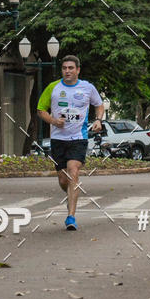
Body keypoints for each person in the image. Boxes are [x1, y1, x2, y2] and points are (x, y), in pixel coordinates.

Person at [37, 55, 104, 230]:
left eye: (71, 68)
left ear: (78, 70)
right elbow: (41, 110)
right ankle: (70, 195)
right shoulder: (53, 88)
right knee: (63, 179)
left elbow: (99, 105)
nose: (67, 71)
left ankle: (71, 217)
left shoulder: (88, 87)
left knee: (73, 171)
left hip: (78, 138)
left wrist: (98, 120)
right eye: (64, 68)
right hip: (58, 139)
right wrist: (53, 121)